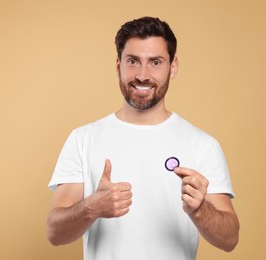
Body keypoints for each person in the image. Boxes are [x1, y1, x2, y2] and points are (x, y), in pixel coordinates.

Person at [47, 16, 239, 260]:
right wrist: (91, 207)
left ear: (174, 67)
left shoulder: (202, 145)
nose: (142, 75)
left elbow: (230, 239)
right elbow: (54, 232)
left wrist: (200, 209)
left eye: (156, 62)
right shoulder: (82, 139)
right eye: (133, 61)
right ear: (118, 66)